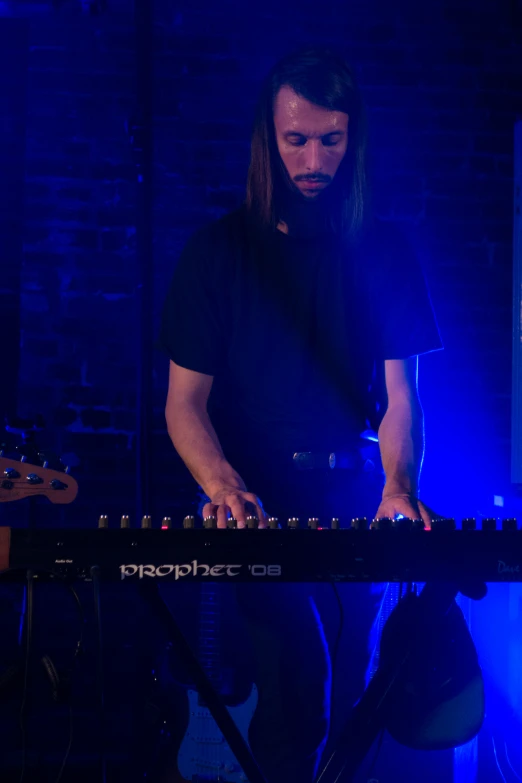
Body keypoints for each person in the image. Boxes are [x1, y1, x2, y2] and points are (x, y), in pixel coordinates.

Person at [159, 47, 442, 783]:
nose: (313, 158)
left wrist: (399, 486)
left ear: (355, 139)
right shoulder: (217, 253)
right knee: (299, 696)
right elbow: (183, 403)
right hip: (253, 507)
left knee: (351, 703)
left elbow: (403, 395)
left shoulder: (384, 253)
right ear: (268, 137)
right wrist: (221, 483)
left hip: (351, 498)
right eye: (296, 139)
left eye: (331, 139)